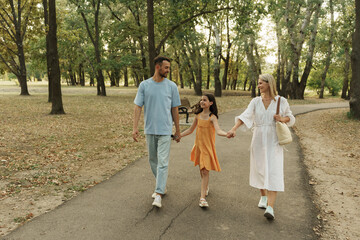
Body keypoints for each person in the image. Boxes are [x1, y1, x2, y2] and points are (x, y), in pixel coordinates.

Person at [227, 73, 295, 219]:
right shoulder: (255, 101)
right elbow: (245, 116)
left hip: (274, 140)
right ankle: (263, 197)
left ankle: (270, 208)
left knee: (273, 170)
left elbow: (291, 117)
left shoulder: (281, 101)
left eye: (260, 83)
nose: (258, 86)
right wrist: (233, 129)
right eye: (258, 83)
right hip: (258, 139)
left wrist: (282, 118)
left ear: (269, 84)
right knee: (260, 168)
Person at [132, 56, 181, 208]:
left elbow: (175, 109)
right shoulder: (144, 85)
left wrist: (178, 130)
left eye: (169, 68)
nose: (168, 70)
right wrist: (135, 128)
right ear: (158, 67)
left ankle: (158, 193)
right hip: (150, 130)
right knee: (152, 160)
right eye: (166, 68)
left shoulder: (172, 86)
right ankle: (162, 184)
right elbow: (137, 107)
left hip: (165, 130)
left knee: (163, 162)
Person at [180, 94, 227, 208]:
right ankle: (205, 187)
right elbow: (191, 130)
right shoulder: (198, 116)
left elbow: (219, 130)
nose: (202, 102)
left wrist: (227, 134)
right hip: (199, 147)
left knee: (205, 171)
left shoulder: (212, 117)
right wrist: (179, 135)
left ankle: (202, 198)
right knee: (202, 171)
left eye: (204, 100)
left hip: (207, 148)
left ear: (211, 103)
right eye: (201, 100)